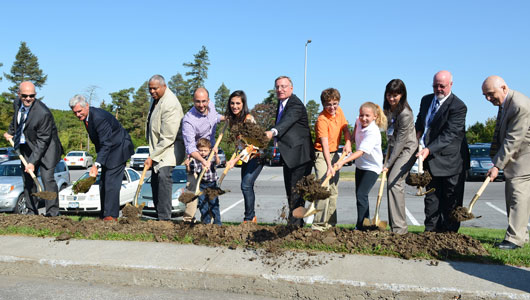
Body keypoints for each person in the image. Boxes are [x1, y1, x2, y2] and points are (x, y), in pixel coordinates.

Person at [415, 70, 469, 233]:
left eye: (442, 86)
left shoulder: (458, 106)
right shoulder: (426, 100)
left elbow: (450, 134)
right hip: (430, 161)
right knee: (431, 199)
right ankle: (430, 233)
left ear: (450, 85)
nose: (438, 89)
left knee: (450, 201)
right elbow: (420, 121)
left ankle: (449, 235)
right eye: (435, 86)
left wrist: (428, 150)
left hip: (451, 162)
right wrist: (416, 136)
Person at [69, 94, 134, 221]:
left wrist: (97, 164)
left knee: (111, 184)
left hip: (118, 149)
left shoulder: (98, 117)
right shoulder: (87, 117)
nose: (77, 115)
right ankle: (104, 214)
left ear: (86, 106)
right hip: (109, 150)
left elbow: (106, 142)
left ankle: (111, 217)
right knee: (103, 183)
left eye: (79, 111)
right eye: (75, 112)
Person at [484, 75, 530, 249]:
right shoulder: (505, 103)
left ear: (504, 88)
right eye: (485, 95)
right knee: (511, 195)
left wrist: (497, 165)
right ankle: (521, 235)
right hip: (516, 156)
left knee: (518, 195)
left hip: (525, 156)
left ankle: (514, 239)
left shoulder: (519, 105)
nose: (488, 99)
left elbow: (513, 139)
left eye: (490, 94)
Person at [4, 81, 63, 217]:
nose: (28, 99)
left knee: (48, 179)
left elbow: (43, 141)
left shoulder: (43, 113)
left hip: (47, 149)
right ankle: (31, 212)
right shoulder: (17, 103)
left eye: (32, 96)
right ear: (19, 94)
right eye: (25, 95)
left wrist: (32, 162)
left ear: (35, 95)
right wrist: (10, 132)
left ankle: (52, 214)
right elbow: (17, 120)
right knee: (28, 180)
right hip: (27, 147)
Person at [265, 76, 315, 228]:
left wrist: (273, 132)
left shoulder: (295, 104)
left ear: (291, 88)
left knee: (296, 191)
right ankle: (295, 223)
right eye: (278, 87)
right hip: (290, 156)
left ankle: (294, 226)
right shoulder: (281, 104)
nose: (280, 89)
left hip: (300, 156)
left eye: (284, 86)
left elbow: (287, 121)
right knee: (292, 191)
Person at [334, 102, 386, 230]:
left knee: (361, 194)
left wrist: (342, 162)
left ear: (375, 116)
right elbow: (353, 135)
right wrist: (348, 142)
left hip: (372, 167)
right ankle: (365, 224)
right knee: (360, 195)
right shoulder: (358, 121)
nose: (363, 118)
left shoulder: (373, 132)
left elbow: (360, 152)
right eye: (361, 115)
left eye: (367, 116)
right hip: (361, 165)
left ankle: (361, 226)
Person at [144, 74, 184, 221]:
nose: (152, 91)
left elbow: (168, 137)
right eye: (150, 89)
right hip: (160, 147)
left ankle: (164, 219)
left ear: (164, 87)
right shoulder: (156, 99)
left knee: (163, 176)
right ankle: (158, 215)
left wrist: (152, 157)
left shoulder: (170, 104)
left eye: (155, 88)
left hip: (171, 147)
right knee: (155, 179)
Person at [182, 87, 224, 223]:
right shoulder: (188, 120)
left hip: (210, 152)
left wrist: (224, 118)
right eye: (198, 102)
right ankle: (188, 220)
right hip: (195, 154)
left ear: (209, 100)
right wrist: (202, 160)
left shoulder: (211, 106)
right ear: (193, 101)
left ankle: (213, 221)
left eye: (204, 101)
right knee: (194, 188)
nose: (201, 105)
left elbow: (215, 118)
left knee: (211, 196)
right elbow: (190, 147)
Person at [311, 88, 351, 231]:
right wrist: (329, 165)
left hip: (336, 154)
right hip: (322, 155)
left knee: (333, 190)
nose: (332, 107)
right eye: (329, 104)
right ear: (323, 104)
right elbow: (324, 144)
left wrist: (347, 142)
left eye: (335, 103)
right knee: (323, 188)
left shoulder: (339, 112)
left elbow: (346, 129)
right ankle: (318, 226)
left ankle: (330, 224)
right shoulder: (322, 120)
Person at [382, 79, 418, 234]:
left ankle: (400, 229)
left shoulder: (405, 113)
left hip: (407, 149)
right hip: (394, 147)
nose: (392, 98)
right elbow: (389, 135)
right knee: (391, 183)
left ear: (402, 95)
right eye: (389, 94)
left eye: (395, 95)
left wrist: (388, 164)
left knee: (394, 181)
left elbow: (401, 141)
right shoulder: (388, 110)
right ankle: (394, 227)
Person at [225, 90, 263, 224]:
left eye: (238, 103)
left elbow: (251, 145)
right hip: (246, 157)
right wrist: (232, 158)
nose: (234, 106)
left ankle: (249, 218)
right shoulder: (233, 121)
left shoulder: (248, 119)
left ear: (243, 104)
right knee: (246, 186)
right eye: (232, 103)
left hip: (257, 155)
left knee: (245, 185)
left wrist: (235, 160)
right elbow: (240, 144)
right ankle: (251, 217)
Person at [187, 138, 221, 225]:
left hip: (212, 184)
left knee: (214, 204)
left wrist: (216, 155)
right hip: (201, 185)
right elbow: (191, 171)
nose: (203, 152)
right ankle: (206, 223)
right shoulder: (196, 160)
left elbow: (218, 163)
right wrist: (188, 165)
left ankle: (217, 223)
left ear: (209, 150)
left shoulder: (211, 156)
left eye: (205, 150)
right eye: (200, 150)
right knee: (203, 204)